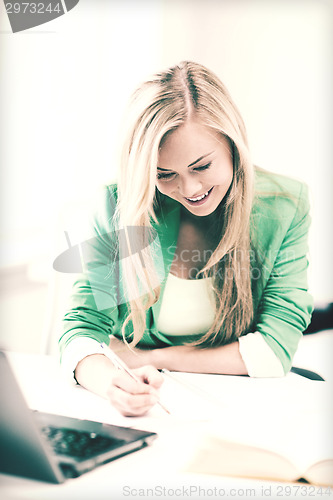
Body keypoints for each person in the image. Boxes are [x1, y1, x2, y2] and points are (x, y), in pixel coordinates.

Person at [59, 61, 313, 416]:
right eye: (165, 174)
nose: (190, 189)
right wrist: (110, 384)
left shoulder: (284, 206)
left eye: (202, 166)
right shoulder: (120, 205)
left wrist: (152, 358)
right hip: (149, 409)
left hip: (242, 408)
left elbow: (274, 351)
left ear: (233, 145)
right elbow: (81, 332)